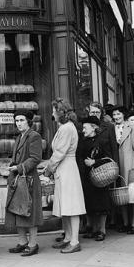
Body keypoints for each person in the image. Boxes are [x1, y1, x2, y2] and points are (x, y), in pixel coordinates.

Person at [46, 98, 85, 254]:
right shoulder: (65, 127)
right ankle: (68, 237)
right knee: (66, 206)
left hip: (67, 168)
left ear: (60, 112)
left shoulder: (66, 128)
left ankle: (74, 241)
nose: (52, 113)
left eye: (54, 110)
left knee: (72, 206)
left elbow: (60, 152)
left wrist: (49, 169)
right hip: (64, 168)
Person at [5, 110, 42, 256]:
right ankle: (22, 242)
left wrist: (19, 167)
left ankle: (33, 244)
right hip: (17, 179)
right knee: (16, 210)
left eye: (21, 120)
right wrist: (13, 167)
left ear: (28, 121)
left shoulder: (34, 136)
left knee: (29, 212)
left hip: (29, 179)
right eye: (17, 120)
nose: (18, 123)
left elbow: (35, 158)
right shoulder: (20, 137)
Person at [76, 116, 113, 241]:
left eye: (85, 127)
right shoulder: (82, 141)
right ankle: (91, 228)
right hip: (86, 176)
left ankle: (101, 230)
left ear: (93, 128)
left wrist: (95, 162)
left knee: (101, 204)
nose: (83, 130)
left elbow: (108, 158)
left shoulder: (102, 141)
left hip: (100, 176)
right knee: (89, 203)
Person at [87, 102, 119, 231]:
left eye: (97, 112)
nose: (94, 114)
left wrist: (115, 165)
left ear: (101, 113)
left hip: (104, 166)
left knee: (103, 198)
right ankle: (92, 228)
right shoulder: (84, 125)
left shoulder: (109, 127)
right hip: (88, 166)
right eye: (92, 112)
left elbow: (113, 148)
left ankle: (102, 229)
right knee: (90, 197)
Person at [112, 106, 134, 234]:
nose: (116, 117)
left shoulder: (133, 126)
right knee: (121, 195)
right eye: (114, 114)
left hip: (130, 164)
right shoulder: (111, 127)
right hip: (118, 165)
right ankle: (125, 223)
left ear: (123, 114)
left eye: (118, 114)